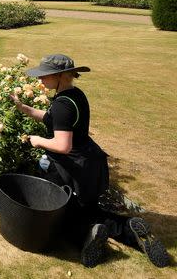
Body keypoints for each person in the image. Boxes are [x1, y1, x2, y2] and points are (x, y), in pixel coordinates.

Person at [11, 54, 170, 268]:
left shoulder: (61, 106)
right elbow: (53, 118)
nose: (40, 81)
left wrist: (39, 141)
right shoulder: (74, 96)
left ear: (60, 76)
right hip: (89, 164)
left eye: (44, 76)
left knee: (61, 216)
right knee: (89, 211)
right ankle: (128, 228)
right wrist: (24, 108)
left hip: (71, 168)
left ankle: (87, 236)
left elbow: (62, 145)